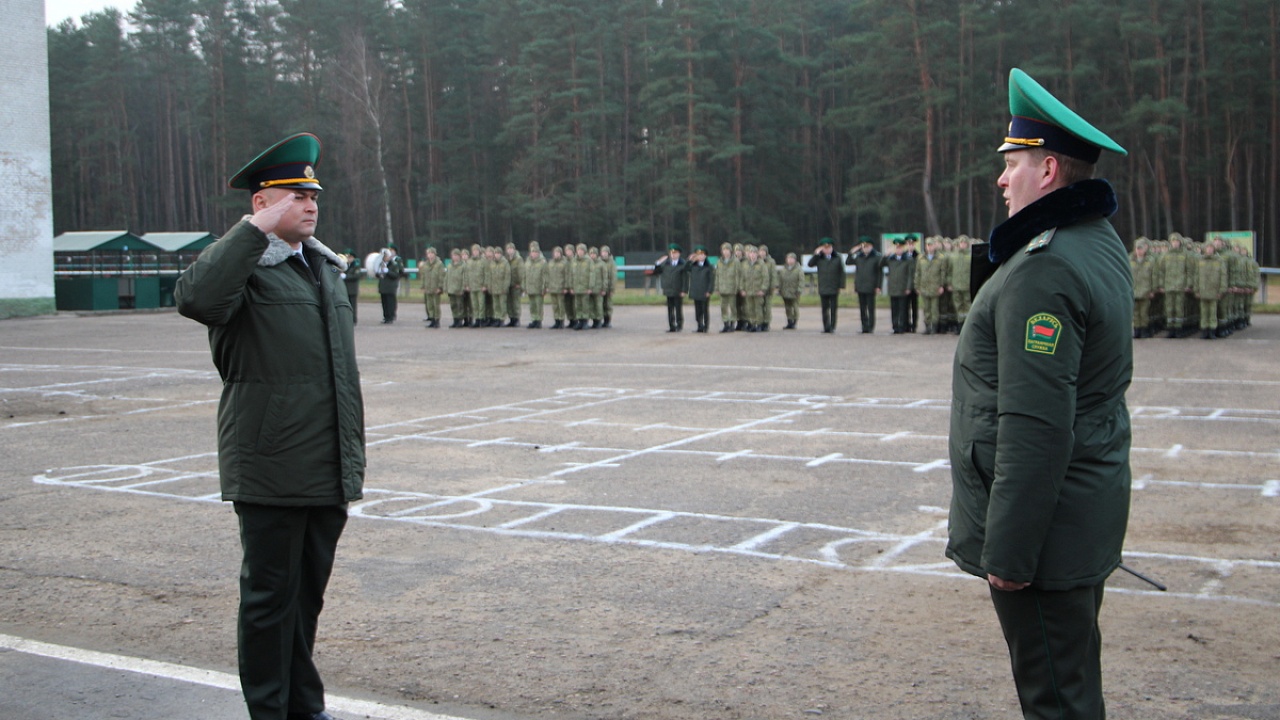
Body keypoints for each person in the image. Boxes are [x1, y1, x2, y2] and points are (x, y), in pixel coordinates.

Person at [947, 68, 1133, 720]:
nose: (1001, 179)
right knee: (1072, 686)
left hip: (1046, 539)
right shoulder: (1096, 243)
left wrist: (1010, 554)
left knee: (1056, 699)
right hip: (1083, 513)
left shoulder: (1045, 266)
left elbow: (1035, 423)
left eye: (1012, 163)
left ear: (1048, 171)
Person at [174, 133, 364, 720]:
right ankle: (268, 712)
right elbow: (196, 298)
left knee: (305, 600)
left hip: (327, 460)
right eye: (293, 195)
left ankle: (305, 707)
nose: (309, 204)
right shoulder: (244, 267)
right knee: (268, 599)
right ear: (261, 205)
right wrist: (252, 234)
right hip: (272, 460)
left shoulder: (323, 270)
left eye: (313, 195)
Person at [846, 236, 883, 333]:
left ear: (871, 247)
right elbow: (848, 262)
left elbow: (880, 273)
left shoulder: (876, 257)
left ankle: (870, 327)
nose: (865, 248)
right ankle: (864, 326)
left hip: (871, 286)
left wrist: (878, 286)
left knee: (870, 308)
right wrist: (851, 252)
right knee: (862, 308)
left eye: (867, 246)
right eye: (863, 246)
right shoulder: (859, 257)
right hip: (860, 286)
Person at [807, 238, 844, 333]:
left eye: (829, 248)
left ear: (832, 248)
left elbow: (841, 272)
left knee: (833, 309)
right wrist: (816, 254)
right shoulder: (819, 258)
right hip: (823, 286)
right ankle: (826, 327)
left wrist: (841, 285)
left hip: (834, 286)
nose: (827, 250)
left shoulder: (837, 258)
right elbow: (810, 264)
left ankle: (832, 326)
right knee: (824, 309)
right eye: (825, 248)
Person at [913, 236, 947, 334]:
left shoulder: (940, 258)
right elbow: (918, 273)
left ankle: (934, 327)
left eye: (931, 245)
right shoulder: (921, 258)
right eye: (928, 245)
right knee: (926, 309)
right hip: (924, 287)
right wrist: (917, 286)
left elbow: (942, 273)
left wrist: (941, 285)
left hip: (935, 287)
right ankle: (927, 326)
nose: (929, 247)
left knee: (934, 309)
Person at [1195, 241, 1228, 339]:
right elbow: (1196, 276)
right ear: (1204, 249)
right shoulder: (1200, 261)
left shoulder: (1219, 261)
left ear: (1214, 249)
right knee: (1204, 312)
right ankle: (1204, 331)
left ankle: (1212, 331)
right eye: (1207, 248)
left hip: (1214, 291)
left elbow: (1223, 276)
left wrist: (1221, 290)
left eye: (1211, 248)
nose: (1209, 250)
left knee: (1213, 313)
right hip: (1203, 291)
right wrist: (1196, 290)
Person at [653, 243, 689, 331]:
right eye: (671, 253)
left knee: (678, 309)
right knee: (670, 309)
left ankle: (679, 325)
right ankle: (671, 325)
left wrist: (684, 290)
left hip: (678, 290)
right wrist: (658, 263)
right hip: (668, 290)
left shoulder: (682, 264)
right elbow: (657, 272)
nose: (673, 255)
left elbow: (685, 279)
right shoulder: (666, 264)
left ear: (679, 254)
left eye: (675, 253)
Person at [884, 238, 913, 334]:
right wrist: (885, 255)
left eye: (900, 248)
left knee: (902, 309)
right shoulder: (891, 259)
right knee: (894, 309)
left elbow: (910, 275)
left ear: (903, 248)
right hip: (893, 287)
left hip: (902, 287)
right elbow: (880, 264)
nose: (898, 250)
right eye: (896, 248)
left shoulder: (907, 260)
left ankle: (902, 326)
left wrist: (908, 287)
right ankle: (895, 326)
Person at [685, 244, 715, 332]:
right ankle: (699, 325)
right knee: (697, 310)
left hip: (704, 291)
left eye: (702, 254)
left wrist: (709, 290)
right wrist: (689, 260)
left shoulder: (709, 266)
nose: (700, 256)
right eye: (698, 255)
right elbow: (685, 268)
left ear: (705, 256)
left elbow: (711, 280)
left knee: (705, 310)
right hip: (696, 291)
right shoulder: (693, 265)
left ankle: (706, 326)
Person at [1130, 238, 1157, 338]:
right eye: (1137, 248)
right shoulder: (1130, 260)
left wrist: (1153, 290)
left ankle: (1144, 330)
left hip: (1146, 290)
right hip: (1134, 290)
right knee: (1135, 313)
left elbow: (1154, 276)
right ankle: (1137, 330)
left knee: (1144, 313)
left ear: (1145, 249)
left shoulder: (1150, 261)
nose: (1139, 251)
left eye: (1141, 248)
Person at [375, 245, 404, 323]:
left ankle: (391, 317)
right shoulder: (381, 264)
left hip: (390, 287)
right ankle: (386, 316)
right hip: (383, 286)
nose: (385, 257)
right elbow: (377, 274)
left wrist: (388, 271)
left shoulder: (394, 264)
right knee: (384, 303)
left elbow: (396, 275)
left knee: (390, 302)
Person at [419, 246, 445, 328]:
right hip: (428, 287)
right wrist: (422, 286)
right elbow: (423, 276)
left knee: (435, 305)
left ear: (435, 254)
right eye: (428, 253)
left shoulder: (439, 264)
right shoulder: (426, 264)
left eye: (431, 253)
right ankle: (432, 319)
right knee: (429, 305)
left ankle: (437, 320)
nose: (430, 255)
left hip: (435, 287)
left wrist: (440, 287)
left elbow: (442, 276)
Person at [716, 242, 740, 333]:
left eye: (727, 250)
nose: (725, 252)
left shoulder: (735, 261)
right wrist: (717, 287)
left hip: (732, 288)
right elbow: (717, 275)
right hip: (722, 288)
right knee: (723, 307)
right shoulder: (719, 262)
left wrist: (737, 288)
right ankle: (726, 324)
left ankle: (732, 324)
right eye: (724, 250)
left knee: (733, 307)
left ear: (730, 251)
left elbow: (738, 275)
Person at [777, 252, 804, 329]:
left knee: (795, 307)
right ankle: (789, 321)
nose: (790, 260)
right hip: (785, 291)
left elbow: (801, 281)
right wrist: (780, 289)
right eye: (788, 259)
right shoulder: (783, 270)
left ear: (795, 260)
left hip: (795, 292)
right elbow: (780, 280)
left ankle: (795, 321)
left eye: (792, 259)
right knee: (787, 308)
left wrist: (799, 290)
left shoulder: (798, 270)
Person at [523, 241, 547, 328]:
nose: (533, 254)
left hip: (538, 287)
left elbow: (545, 276)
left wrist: (544, 287)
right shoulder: (527, 262)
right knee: (532, 305)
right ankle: (534, 319)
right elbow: (524, 275)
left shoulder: (542, 262)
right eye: (532, 252)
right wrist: (524, 286)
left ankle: (539, 320)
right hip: (530, 287)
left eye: (535, 252)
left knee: (538, 305)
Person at [340, 247, 362, 324]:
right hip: (344, 288)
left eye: (349, 257)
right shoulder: (343, 265)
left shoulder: (356, 265)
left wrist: (346, 276)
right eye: (346, 257)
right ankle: (346, 319)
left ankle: (353, 320)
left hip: (352, 289)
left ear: (353, 258)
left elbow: (357, 276)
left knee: (352, 306)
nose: (348, 259)